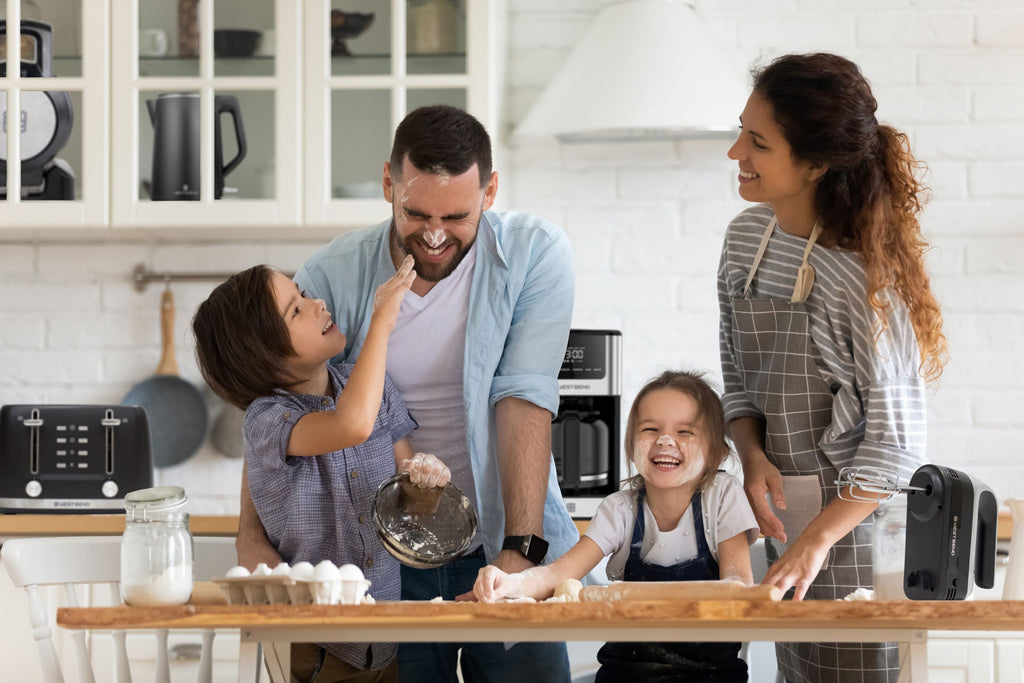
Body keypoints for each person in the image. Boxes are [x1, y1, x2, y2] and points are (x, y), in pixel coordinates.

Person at [235, 104, 578, 683]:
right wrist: (250, 535)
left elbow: (524, 399)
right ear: (389, 183)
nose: (436, 234)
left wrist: (520, 551)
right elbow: (281, 410)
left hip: (508, 539)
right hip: (383, 559)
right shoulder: (332, 278)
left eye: (457, 215)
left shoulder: (533, 254)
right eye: (416, 213)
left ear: (490, 191)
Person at [718, 52, 949, 683]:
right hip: (782, 508)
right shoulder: (744, 240)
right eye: (741, 130)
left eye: (758, 142)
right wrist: (753, 454)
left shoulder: (860, 280)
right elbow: (736, 376)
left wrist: (816, 539)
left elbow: (897, 445)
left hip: (854, 529)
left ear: (815, 163)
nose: (736, 151)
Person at [192, 256, 452, 683]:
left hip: (386, 639)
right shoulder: (267, 421)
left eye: (304, 295)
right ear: (263, 355)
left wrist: (426, 479)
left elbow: (410, 506)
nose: (317, 305)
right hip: (317, 648)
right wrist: (382, 322)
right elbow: (350, 425)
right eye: (296, 310)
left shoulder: (374, 387)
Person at [474, 370, 759, 683]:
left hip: (710, 674)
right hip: (627, 672)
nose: (665, 440)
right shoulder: (621, 509)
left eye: (685, 432)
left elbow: (738, 587)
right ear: (630, 444)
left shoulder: (722, 496)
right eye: (650, 429)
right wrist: (510, 583)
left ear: (717, 452)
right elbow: (558, 574)